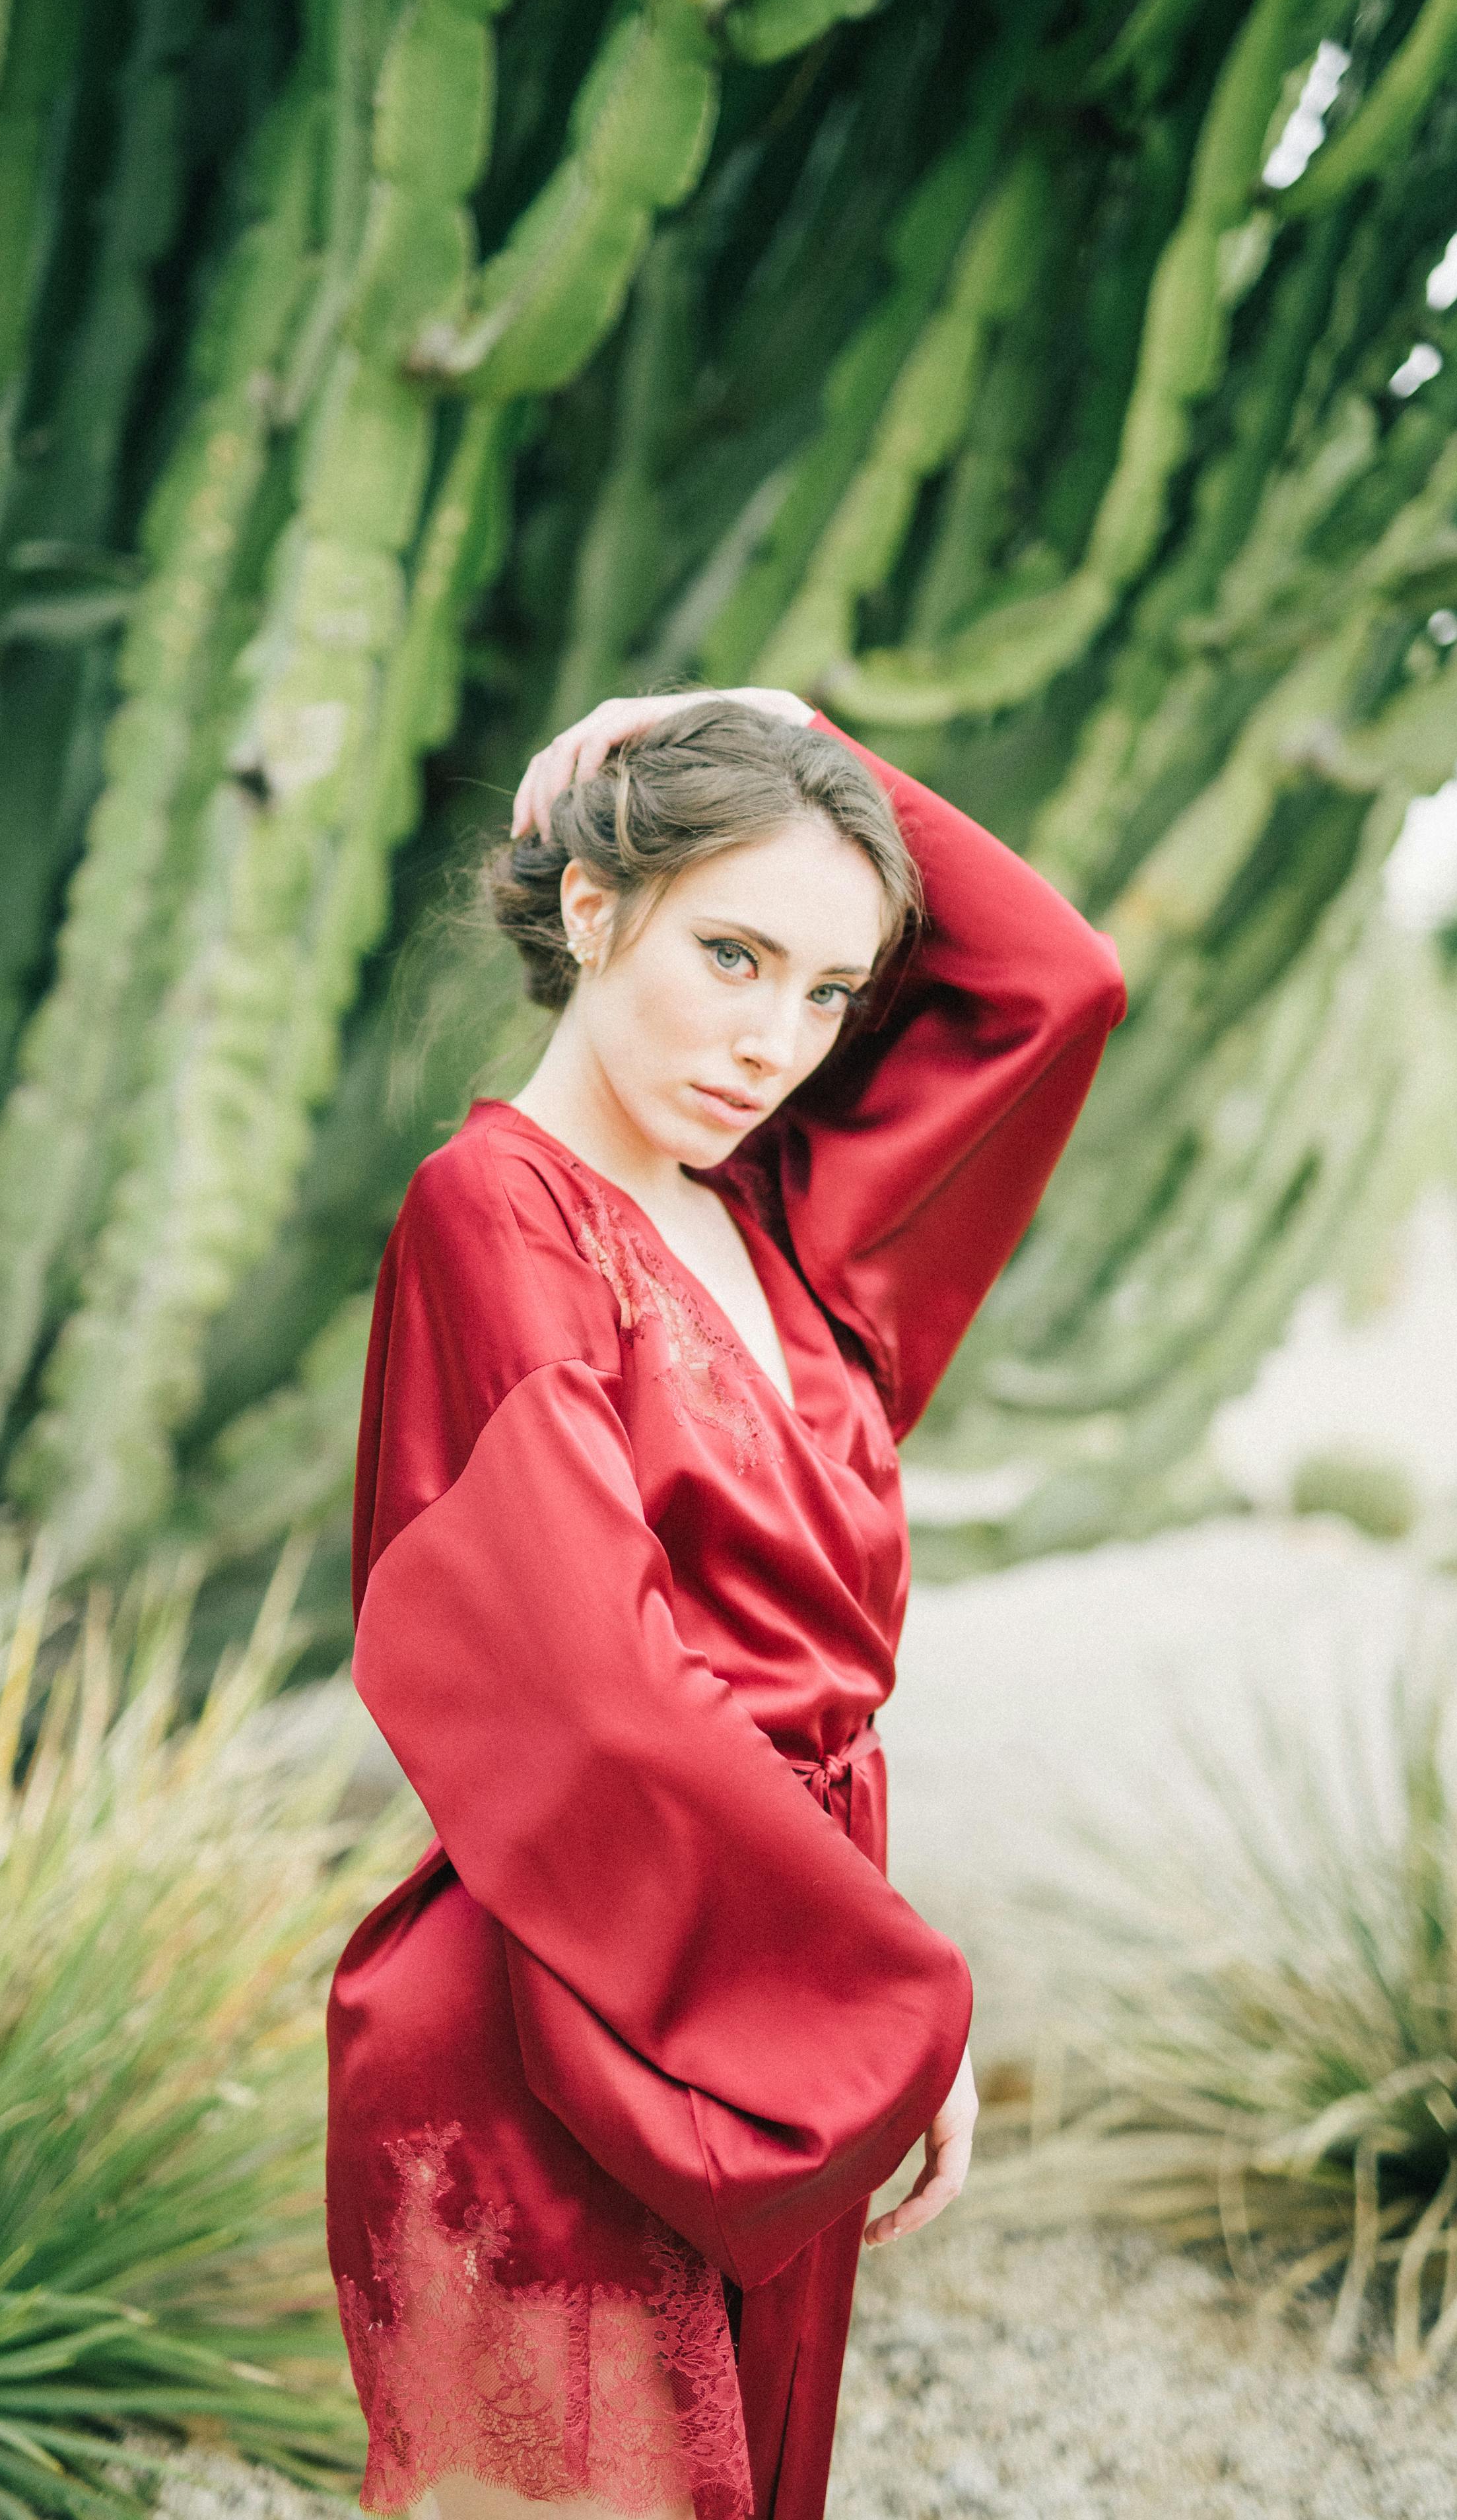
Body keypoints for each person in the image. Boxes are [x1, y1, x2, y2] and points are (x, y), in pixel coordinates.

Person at [326, 687, 1126, 2520]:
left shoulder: (781, 1218)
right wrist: (882, 2003)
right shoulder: (495, 1213)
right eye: (734, 954)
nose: (777, 1040)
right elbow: (585, 1691)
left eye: (832, 993)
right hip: (576, 1992)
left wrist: (787, 723)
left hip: (768, 1948)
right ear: (594, 908)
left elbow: (1051, 990)